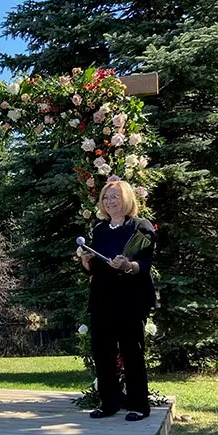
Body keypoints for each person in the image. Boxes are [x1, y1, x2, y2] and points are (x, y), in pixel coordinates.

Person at [79, 179, 157, 422]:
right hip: (103, 298)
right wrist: (86, 262)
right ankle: (109, 403)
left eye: (115, 197)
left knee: (131, 351)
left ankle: (138, 405)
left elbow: (144, 264)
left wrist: (127, 266)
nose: (110, 202)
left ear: (126, 199)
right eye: (106, 197)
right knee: (102, 351)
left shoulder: (140, 227)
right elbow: (94, 269)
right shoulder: (99, 230)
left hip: (130, 299)